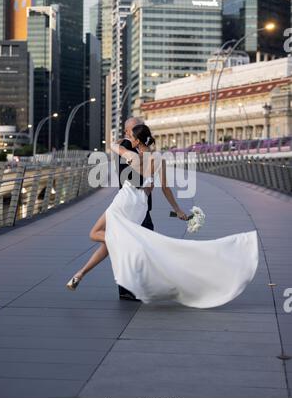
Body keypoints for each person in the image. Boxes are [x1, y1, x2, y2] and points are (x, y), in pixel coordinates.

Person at [66, 124, 258, 309]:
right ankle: (79, 275)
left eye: (131, 137)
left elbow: (112, 146)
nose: (129, 139)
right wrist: (179, 210)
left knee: (95, 233)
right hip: (140, 205)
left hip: (125, 200)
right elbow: (165, 188)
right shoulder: (159, 159)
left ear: (137, 140)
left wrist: (121, 139)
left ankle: (129, 244)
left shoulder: (132, 155)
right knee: (108, 243)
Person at [116, 117, 187, 301]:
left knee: (142, 245)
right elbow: (129, 178)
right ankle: (128, 288)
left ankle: (135, 285)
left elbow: (163, 186)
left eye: (136, 132)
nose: (132, 136)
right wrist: (147, 184)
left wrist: (177, 209)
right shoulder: (131, 152)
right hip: (128, 205)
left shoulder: (134, 153)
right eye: (132, 131)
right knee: (134, 245)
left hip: (141, 206)